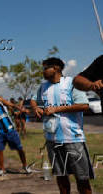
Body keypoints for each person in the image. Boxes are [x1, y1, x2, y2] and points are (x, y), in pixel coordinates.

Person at [31, 57, 93, 194]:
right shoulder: (43, 87)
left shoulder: (72, 83)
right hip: (52, 140)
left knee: (82, 179)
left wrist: (56, 109)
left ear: (57, 68)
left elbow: (84, 105)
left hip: (73, 139)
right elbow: (34, 100)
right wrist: (36, 108)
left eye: (46, 68)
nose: (43, 71)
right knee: (61, 177)